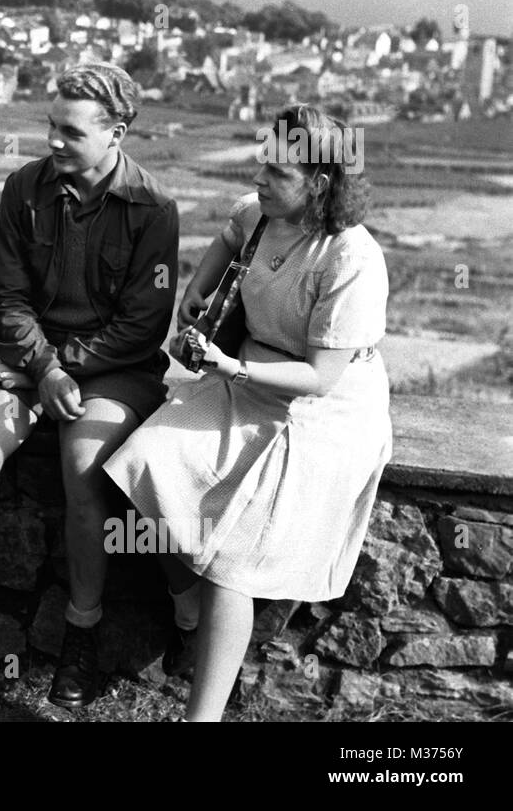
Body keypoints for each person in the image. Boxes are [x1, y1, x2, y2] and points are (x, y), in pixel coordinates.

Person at [104, 104, 391, 722]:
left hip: (321, 413)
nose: (261, 176)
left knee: (232, 559)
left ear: (318, 184)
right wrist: (197, 290)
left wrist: (230, 368)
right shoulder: (260, 212)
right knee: (141, 463)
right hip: (249, 376)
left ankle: (201, 717)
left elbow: (321, 376)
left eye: (278, 171)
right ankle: (188, 616)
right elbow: (231, 235)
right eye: (263, 160)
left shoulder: (351, 259)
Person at [0, 64, 180, 709]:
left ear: (115, 133)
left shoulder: (153, 209)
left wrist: (60, 366)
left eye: (70, 131)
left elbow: (143, 326)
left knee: (81, 463)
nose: (54, 143)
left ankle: (80, 633)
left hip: (114, 369)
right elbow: (5, 296)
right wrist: (44, 368)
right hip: (26, 360)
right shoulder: (24, 189)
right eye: (50, 127)